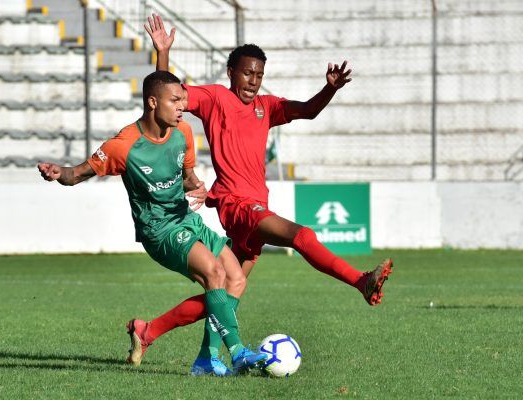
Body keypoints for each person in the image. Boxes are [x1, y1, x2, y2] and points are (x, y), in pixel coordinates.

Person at [126, 15, 394, 368]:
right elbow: (166, 96)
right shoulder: (215, 98)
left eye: (258, 75)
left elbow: (308, 111)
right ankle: (360, 281)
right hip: (237, 206)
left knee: (224, 293)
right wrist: (163, 52)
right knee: (302, 235)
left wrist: (329, 88)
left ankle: (155, 334)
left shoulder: (265, 108)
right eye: (247, 73)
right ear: (231, 71)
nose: (253, 81)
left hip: (255, 206)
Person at [38, 70, 267, 376]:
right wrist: (58, 173)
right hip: (159, 231)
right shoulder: (123, 145)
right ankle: (237, 353)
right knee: (214, 272)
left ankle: (199, 358)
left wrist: (198, 186)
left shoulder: (182, 132)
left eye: (182, 100)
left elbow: (185, 177)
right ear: (152, 103)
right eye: (175, 101)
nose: (182, 106)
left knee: (236, 280)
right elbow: (76, 174)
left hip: (186, 219)